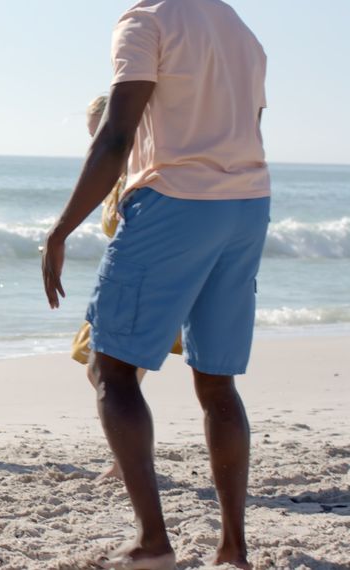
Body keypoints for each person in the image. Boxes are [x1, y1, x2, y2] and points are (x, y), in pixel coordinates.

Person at [41, 1, 270, 568]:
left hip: (174, 203)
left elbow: (116, 135)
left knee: (110, 367)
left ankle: (152, 545)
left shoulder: (147, 20)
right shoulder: (239, 28)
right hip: (248, 205)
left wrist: (60, 229)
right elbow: (248, 129)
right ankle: (233, 552)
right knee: (218, 384)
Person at [69, 95, 183, 483]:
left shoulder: (147, 170)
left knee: (114, 377)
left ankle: (129, 463)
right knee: (109, 376)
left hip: (143, 282)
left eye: (98, 132)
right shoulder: (119, 172)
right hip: (122, 280)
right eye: (90, 135)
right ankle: (131, 459)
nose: (95, 143)